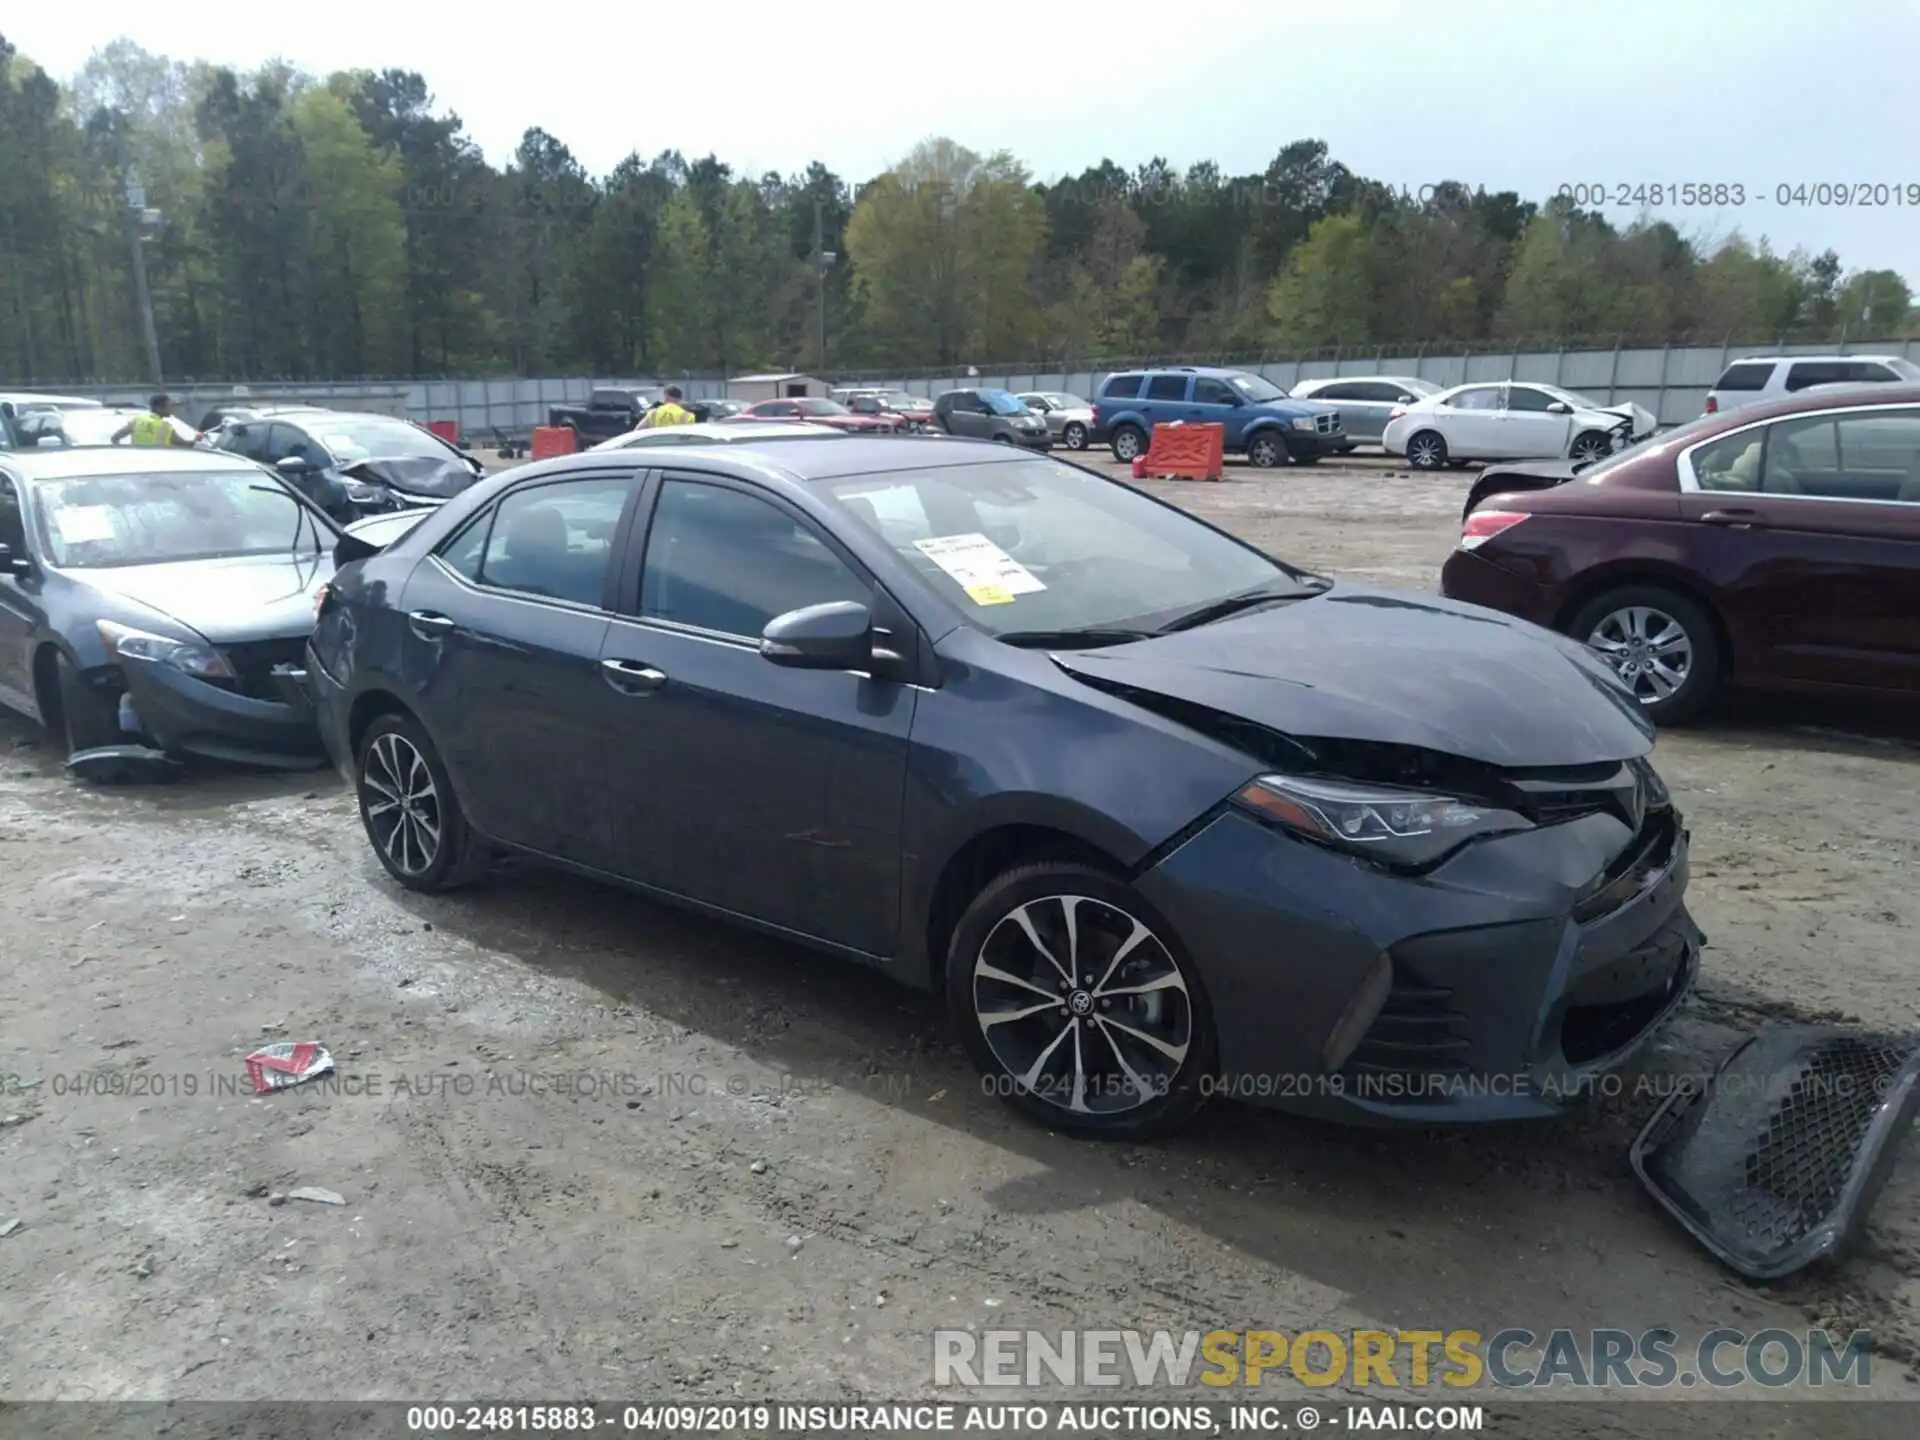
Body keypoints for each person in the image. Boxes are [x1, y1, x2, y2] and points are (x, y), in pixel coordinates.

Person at [113, 394, 195, 447]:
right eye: (169, 406)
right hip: (158, 463)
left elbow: (115, 438)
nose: (172, 409)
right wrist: (196, 442)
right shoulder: (165, 426)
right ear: (158, 408)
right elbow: (183, 444)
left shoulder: (138, 420)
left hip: (137, 461)